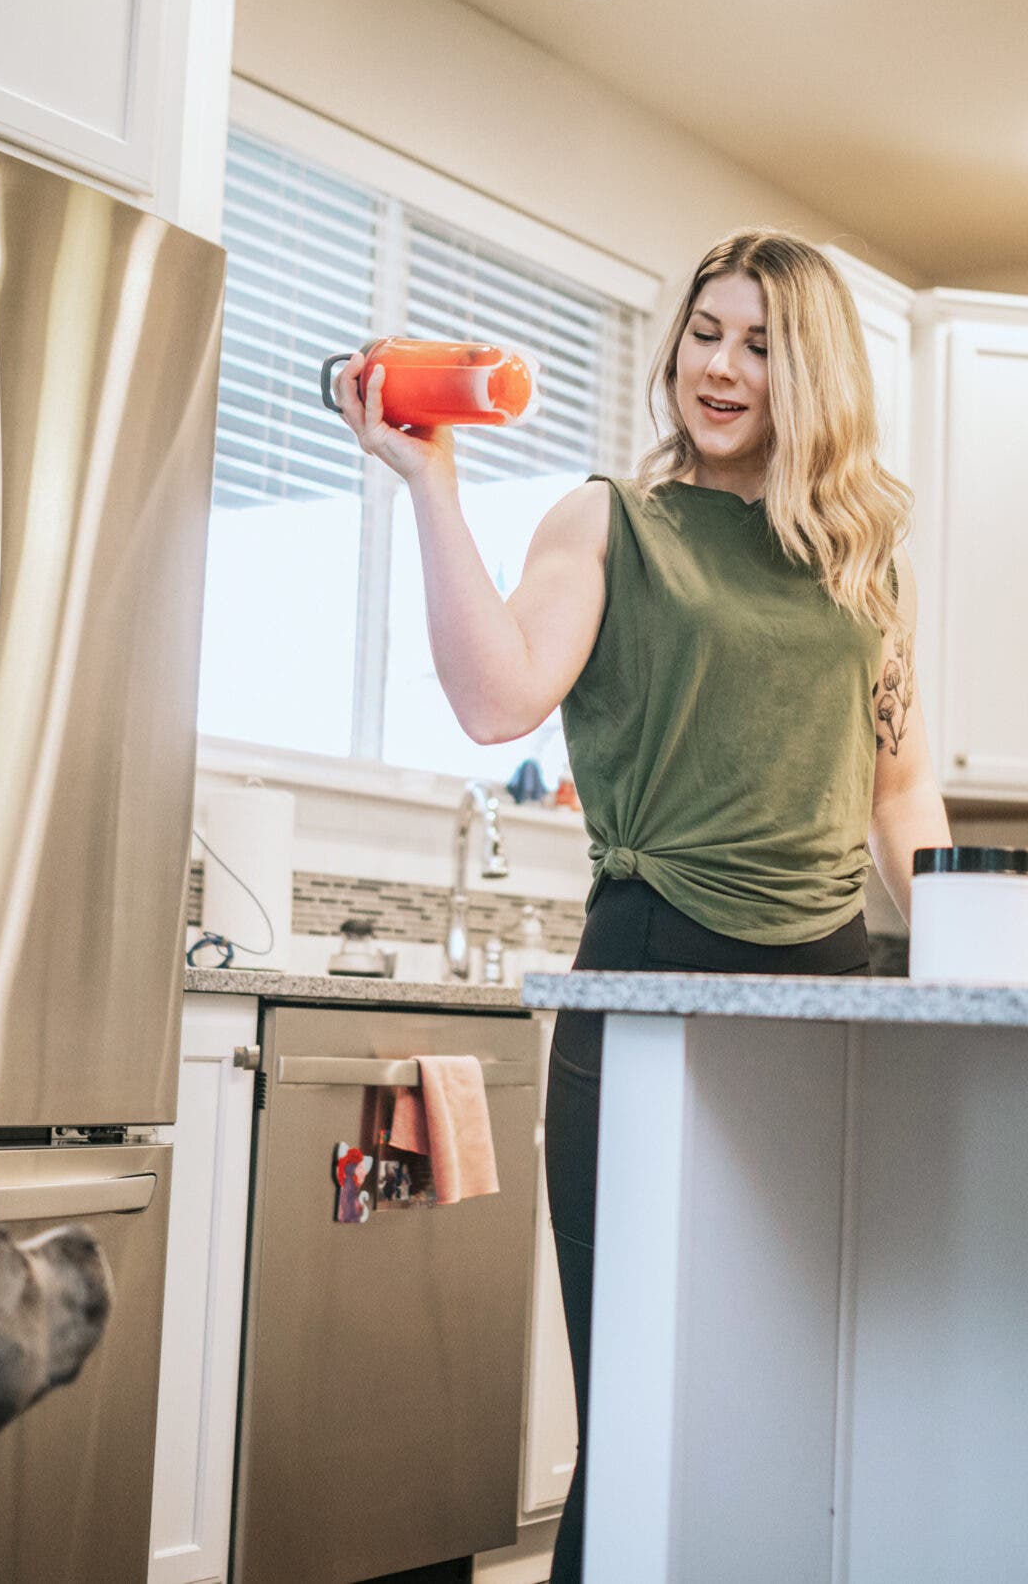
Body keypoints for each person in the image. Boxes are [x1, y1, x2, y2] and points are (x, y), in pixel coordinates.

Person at [332, 229, 951, 1580]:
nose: (718, 367)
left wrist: (972, 952)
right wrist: (433, 486)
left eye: (759, 343)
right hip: (651, 984)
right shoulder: (611, 520)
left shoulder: (866, 567)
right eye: (705, 332)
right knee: (647, 1409)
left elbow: (899, 796)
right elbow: (500, 699)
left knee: (799, 1393)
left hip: (829, 991)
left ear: (818, 375)